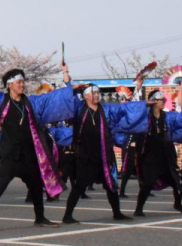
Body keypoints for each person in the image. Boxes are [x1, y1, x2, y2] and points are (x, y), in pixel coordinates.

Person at [0, 47, 74, 233]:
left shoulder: (31, 102)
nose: (22, 85)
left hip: (29, 153)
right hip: (10, 154)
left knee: (35, 186)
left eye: (23, 82)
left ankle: (40, 217)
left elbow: (54, 98)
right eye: (19, 82)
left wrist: (66, 77)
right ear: (9, 84)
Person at [62, 82, 149, 224]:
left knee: (110, 185)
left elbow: (124, 108)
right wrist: (75, 87)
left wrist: (145, 104)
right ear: (86, 96)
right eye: (94, 93)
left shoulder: (106, 109)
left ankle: (117, 213)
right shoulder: (79, 108)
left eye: (98, 93)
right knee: (79, 186)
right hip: (85, 156)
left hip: (103, 155)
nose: (97, 95)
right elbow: (66, 99)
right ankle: (67, 216)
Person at [131, 90, 182, 216]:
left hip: (166, 155)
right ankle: (139, 208)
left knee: (178, 181)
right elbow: (134, 118)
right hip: (150, 156)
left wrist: (181, 90)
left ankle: (178, 203)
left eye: (164, 100)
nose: (163, 102)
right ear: (154, 101)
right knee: (148, 183)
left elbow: (181, 115)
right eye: (161, 100)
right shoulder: (145, 118)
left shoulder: (167, 117)